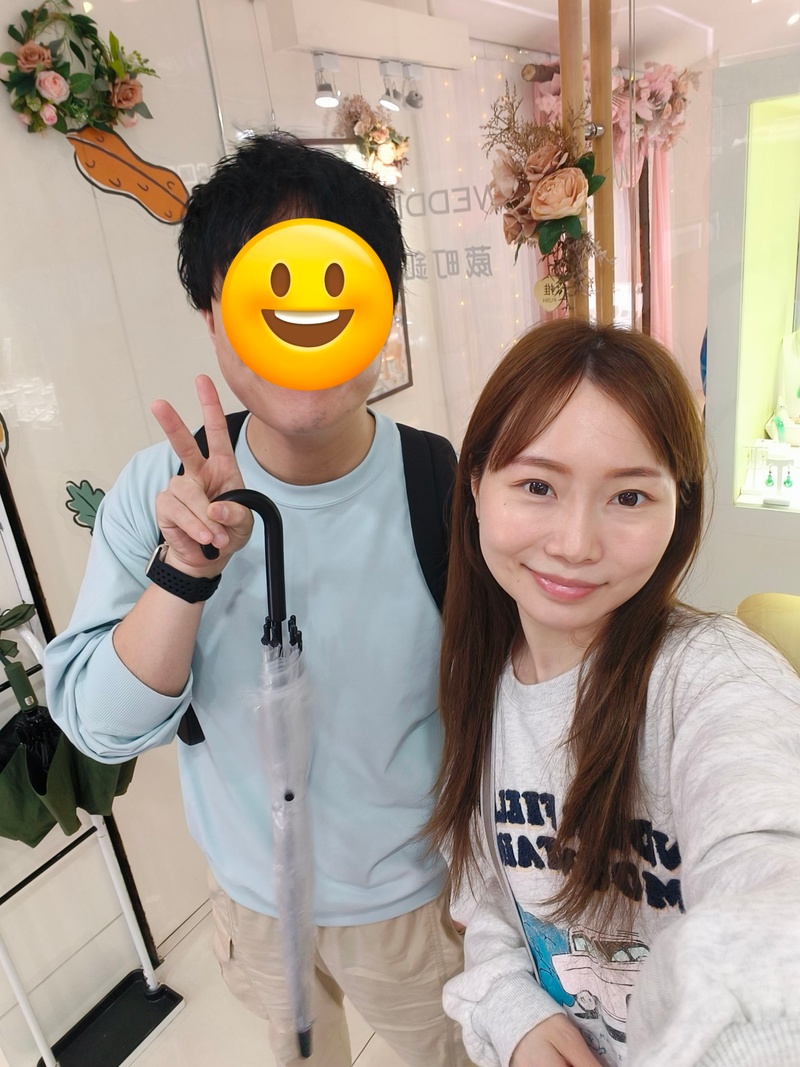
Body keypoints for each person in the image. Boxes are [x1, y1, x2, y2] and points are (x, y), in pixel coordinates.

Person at [44, 134, 470, 1067]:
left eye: (334, 285)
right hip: (254, 905)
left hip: (416, 906)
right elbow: (98, 728)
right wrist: (183, 571)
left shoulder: (443, 484)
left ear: (383, 308)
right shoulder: (158, 489)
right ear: (212, 317)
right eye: (264, 294)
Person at [426, 318, 800, 1067]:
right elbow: (490, 900)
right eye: (537, 485)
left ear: (678, 507)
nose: (575, 543)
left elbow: (771, 873)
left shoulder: (712, 677)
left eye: (628, 497)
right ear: (475, 486)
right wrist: (514, 1013)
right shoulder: (480, 676)